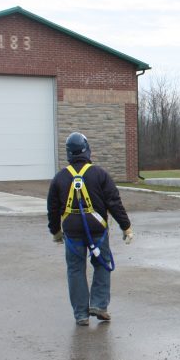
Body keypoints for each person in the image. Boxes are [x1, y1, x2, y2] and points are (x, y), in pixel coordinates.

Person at [47, 132, 133, 326]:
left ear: (69, 153)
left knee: (75, 270)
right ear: (87, 150)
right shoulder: (100, 174)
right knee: (102, 265)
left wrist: (55, 231)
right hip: (97, 231)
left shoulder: (60, 177)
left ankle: (81, 315)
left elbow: (52, 208)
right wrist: (126, 226)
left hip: (72, 233)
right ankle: (99, 305)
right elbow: (114, 202)